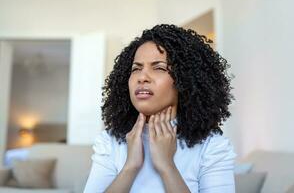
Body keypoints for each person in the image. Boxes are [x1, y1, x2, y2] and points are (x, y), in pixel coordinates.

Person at [84, 24, 237, 193]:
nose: (142, 77)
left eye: (159, 68)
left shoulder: (212, 147)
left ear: (185, 80)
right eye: (136, 68)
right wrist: (130, 167)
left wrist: (167, 166)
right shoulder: (110, 142)